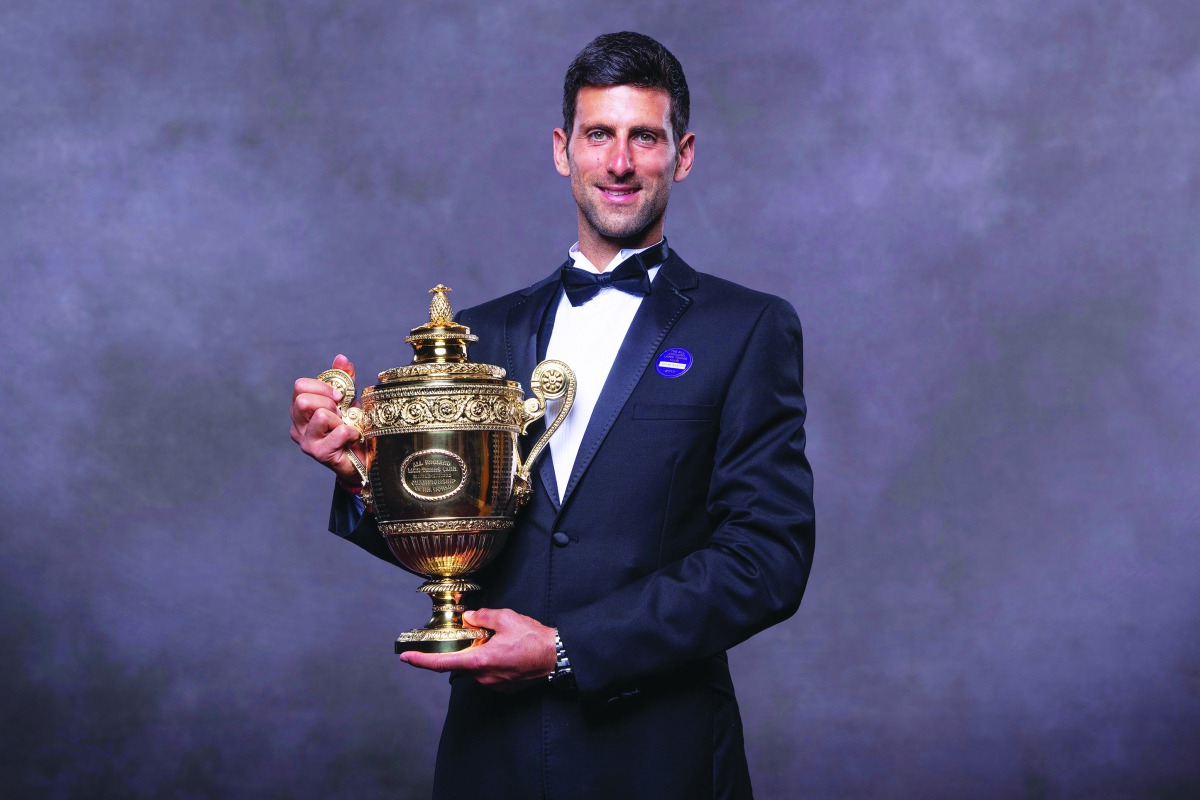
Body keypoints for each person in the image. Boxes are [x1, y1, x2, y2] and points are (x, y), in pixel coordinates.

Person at [290, 31, 815, 800]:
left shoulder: (748, 328)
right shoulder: (481, 333)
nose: (621, 162)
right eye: (600, 135)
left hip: (662, 762)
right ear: (563, 150)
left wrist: (567, 648)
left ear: (685, 152)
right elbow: (454, 528)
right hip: (491, 760)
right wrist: (361, 473)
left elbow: (767, 560)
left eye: (646, 136)